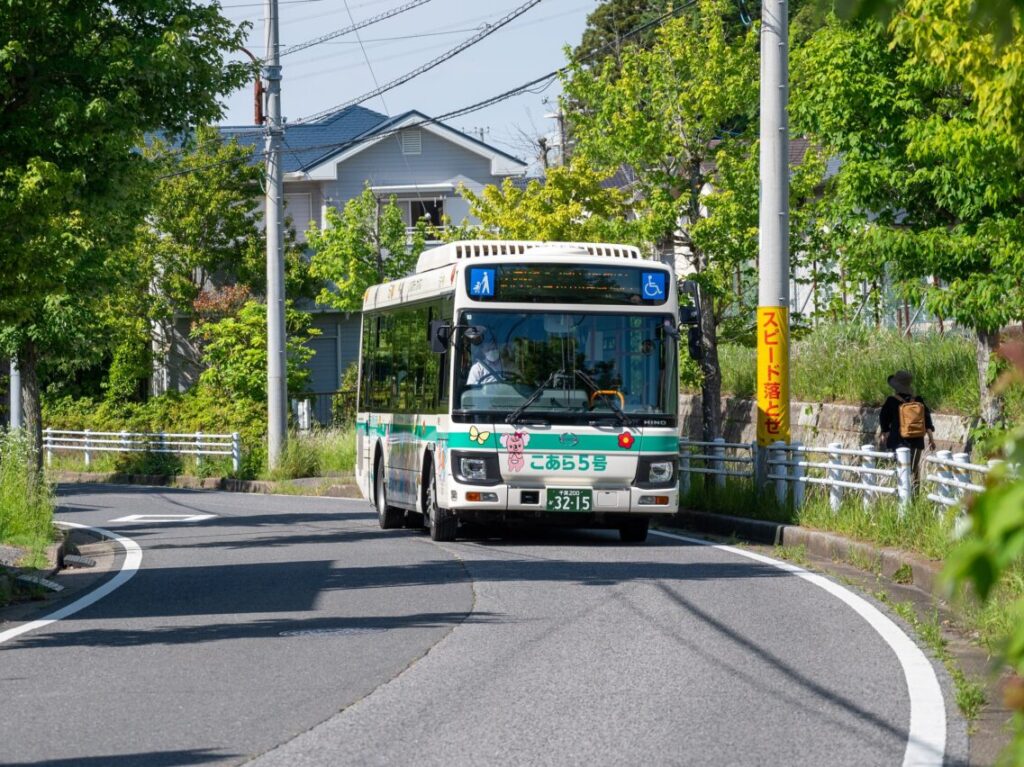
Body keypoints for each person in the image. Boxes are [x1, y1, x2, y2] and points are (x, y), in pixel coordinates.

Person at [879, 370, 936, 488]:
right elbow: (927, 420)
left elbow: (883, 419)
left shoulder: (891, 401)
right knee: (915, 470)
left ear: (896, 386)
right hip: (916, 441)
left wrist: (885, 432)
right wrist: (931, 438)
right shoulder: (918, 400)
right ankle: (915, 498)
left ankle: (903, 497)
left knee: (901, 470)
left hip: (899, 441)